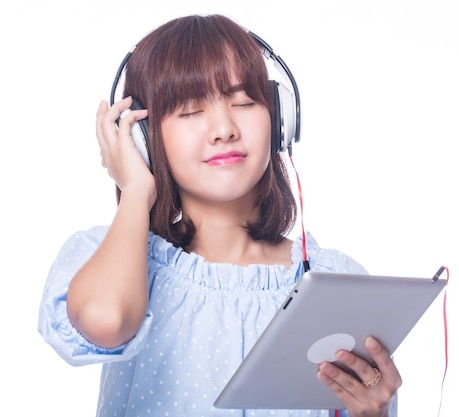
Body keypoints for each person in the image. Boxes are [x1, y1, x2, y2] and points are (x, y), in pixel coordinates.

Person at [38, 14, 401, 417]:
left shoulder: (336, 283)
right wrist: (137, 192)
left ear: (280, 119)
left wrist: (372, 413)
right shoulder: (108, 258)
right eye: (190, 111)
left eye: (244, 101)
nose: (224, 128)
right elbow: (106, 321)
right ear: (143, 139)